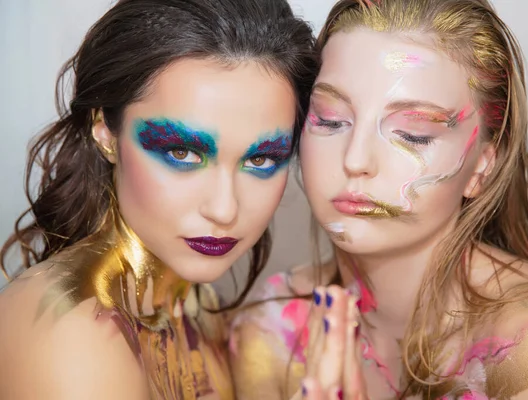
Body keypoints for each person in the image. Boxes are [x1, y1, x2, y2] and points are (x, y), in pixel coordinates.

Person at [228, 0, 528, 399]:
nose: (355, 160)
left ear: (483, 166)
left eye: (414, 134)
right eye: (331, 120)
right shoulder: (271, 328)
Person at [0, 0, 317, 398]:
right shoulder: (72, 334)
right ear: (105, 131)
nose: (224, 209)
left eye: (260, 159)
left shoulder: (194, 306)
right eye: (182, 153)